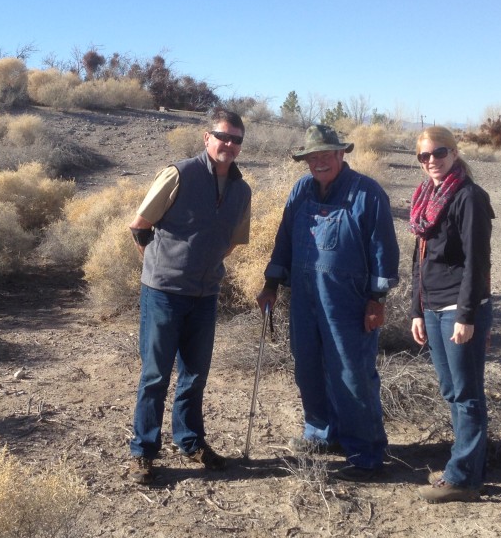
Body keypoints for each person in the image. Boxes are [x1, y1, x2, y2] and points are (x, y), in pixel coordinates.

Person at [256, 125, 399, 482]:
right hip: (304, 297)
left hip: (347, 302)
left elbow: (383, 250)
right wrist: (271, 283)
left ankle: (366, 453)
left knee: (352, 374)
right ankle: (321, 434)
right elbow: (285, 239)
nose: (319, 163)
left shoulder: (367, 193)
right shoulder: (301, 190)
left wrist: (376, 299)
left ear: (341, 154)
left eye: (325, 155)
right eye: (312, 157)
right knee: (308, 367)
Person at [127, 108, 252, 485]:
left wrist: (206, 265)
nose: (228, 144)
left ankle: (190, 441)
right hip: (163, 293)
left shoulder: (241, 190)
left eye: (236, 139)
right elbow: (140, 225)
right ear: (206, 137)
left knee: (195, 375)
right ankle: (143, 452)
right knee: (155, 376)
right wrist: (160, 267)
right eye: (223, 136)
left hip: (205, 294)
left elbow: (233, 241)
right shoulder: (179, 174)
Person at [409, 126, 495, 504]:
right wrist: (415, 309)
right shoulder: (426, 197)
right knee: (451, 390)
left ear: (455, 153)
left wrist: (467, 315)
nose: (432, 161)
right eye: (424, 156)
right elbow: (420, 259)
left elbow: (477, 264)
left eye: (439, 153)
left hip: (458, 310)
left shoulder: (468, 198)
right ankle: (467, 463)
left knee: (467, 394)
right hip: (431, 307)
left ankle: (462, 477)